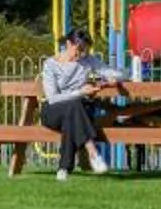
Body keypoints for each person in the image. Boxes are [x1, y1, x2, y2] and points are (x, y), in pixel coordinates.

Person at [40, 27, 126, 180]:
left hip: (76, 113)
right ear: (68, 44)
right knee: (73, 106)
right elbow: (52, 98)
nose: (81, 54)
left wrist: (113, 79)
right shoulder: (50, 64)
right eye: (79, 49)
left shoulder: (87, 61)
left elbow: (117, 73)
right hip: (52, 111)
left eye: (85, 50)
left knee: (71, 117)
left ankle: (63, 169)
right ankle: (92, 152)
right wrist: (80, 92)